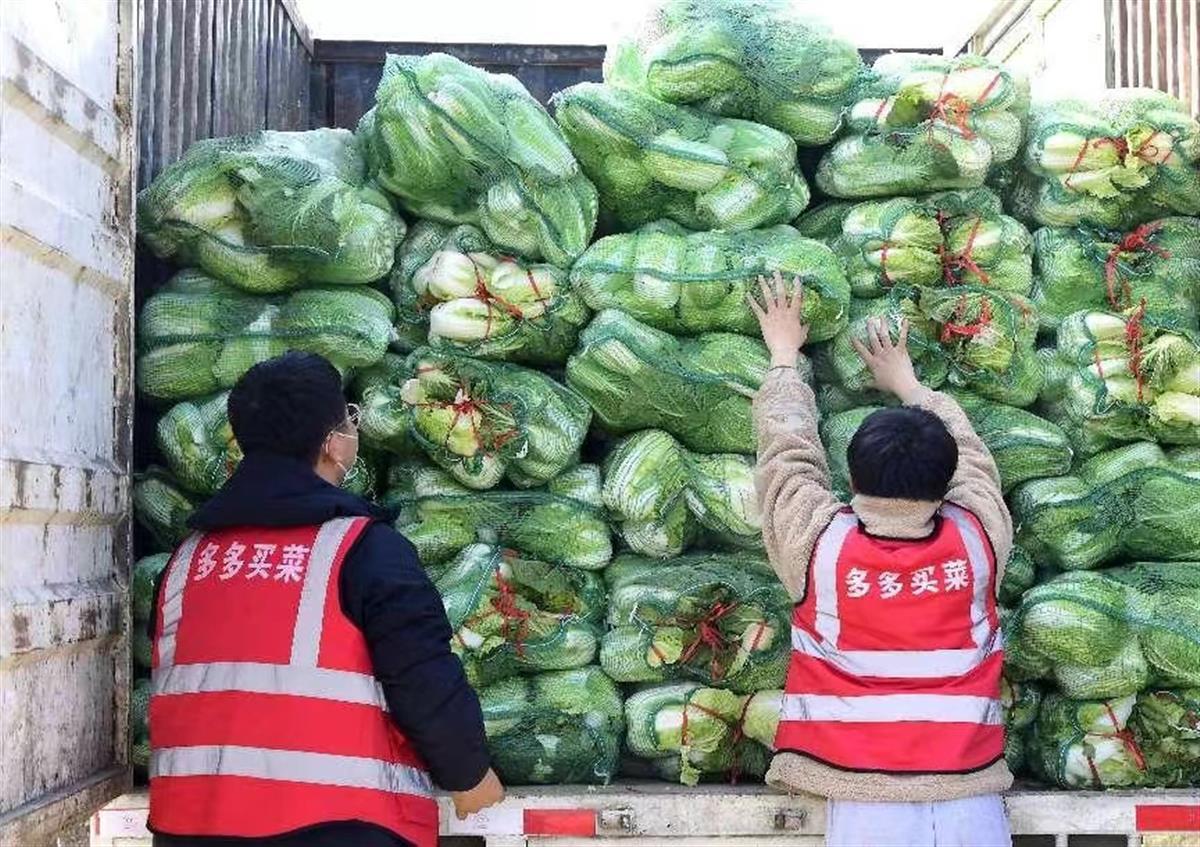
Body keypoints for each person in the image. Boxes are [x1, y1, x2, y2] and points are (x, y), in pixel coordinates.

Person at [146, 352, 504, 847]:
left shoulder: (186, 561)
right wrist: (469, 774)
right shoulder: (364, 550)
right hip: (333, 826)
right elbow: (422, 676)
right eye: (348, 419)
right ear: (334, 444)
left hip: (190, 829)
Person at [749, 273, 1014, 847]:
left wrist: (783, 358)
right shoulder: (979, 538)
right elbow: (974, 461)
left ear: (851, 478)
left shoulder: (819, 545)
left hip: (863, 800)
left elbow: (786, 457)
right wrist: (911, 386)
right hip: (972, 800)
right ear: (946, 482)